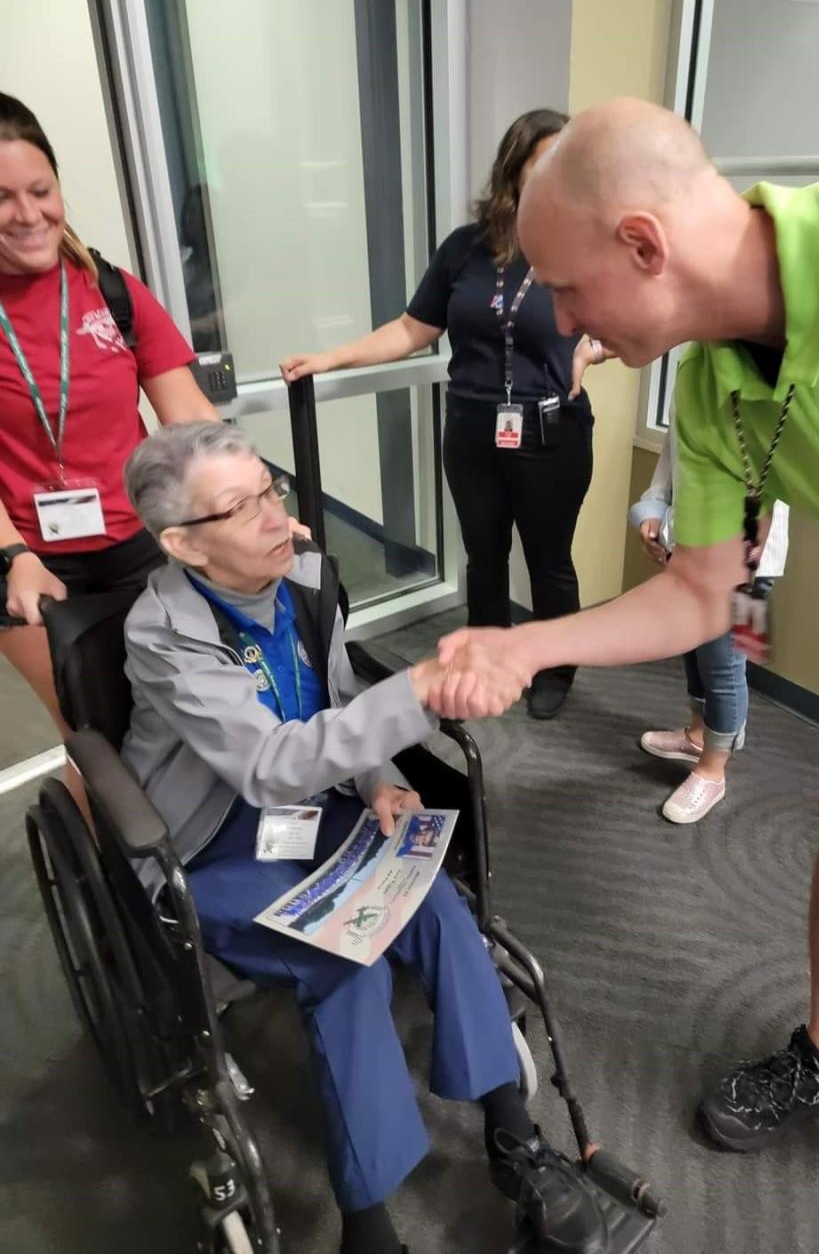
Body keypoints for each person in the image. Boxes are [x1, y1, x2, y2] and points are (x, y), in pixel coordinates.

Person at [428, 99, 819, 1154]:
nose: (565, 323)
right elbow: (701, 595)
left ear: (643, 243)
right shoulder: (715, 383)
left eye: (569, 290)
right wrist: (526, 642)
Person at [121, 422, 602, 1254]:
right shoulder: (160, 633)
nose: (279, 518)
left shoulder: (305, 579)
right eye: (243, 508)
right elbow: (269, 767)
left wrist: (378, 774)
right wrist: (420, 687)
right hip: (211, 839)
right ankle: (369, 1225)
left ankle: (511, 1131)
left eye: (272, 491)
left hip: (316, 806)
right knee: (344, 968)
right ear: (182, 544)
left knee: (440, 903)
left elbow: (337, 694)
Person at [281, 109, 608, 721]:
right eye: (546, 167)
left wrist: (590, 350)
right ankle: (485, 658)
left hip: (550, 432)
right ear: (514, 172)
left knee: (549, 559)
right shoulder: (465, 250)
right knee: (483, 556)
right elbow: (411, 329)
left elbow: (627, 320)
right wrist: (331, 357)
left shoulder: (582, 247)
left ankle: (552, 665)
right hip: (473, 431)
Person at [0, 93, 218, 758]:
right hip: (29, 558)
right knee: (93, 735)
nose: (28, 214)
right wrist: (15, 559)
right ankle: (107, 860)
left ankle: (170, 852)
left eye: (41, 190)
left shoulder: (111, 290)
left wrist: (250, 503)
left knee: (169, 712)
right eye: (3, 197)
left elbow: (194, 427)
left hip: (138, 545)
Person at [629, 416, 789, 823]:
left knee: (725, 664)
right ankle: (699, 736)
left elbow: (776, 480)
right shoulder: (692, 367)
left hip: (744, 559)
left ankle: (713, 770)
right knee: (694, 650)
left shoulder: (769, 382)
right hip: (686, 544)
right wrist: (654, 504)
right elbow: (674, 447)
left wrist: (744, 566)